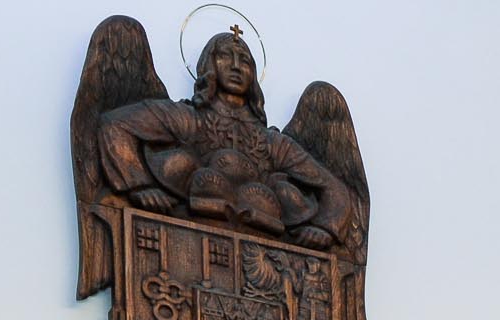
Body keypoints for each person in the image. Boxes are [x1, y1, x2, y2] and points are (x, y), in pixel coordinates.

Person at [98, 31, 354, 248]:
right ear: (208, 65)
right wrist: (139, 185)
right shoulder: (188, 119)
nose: (235, 66)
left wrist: (326, 227)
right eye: (225, 56)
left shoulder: (272, 143)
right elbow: (115, 125)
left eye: (245, 61)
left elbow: (335, 188)